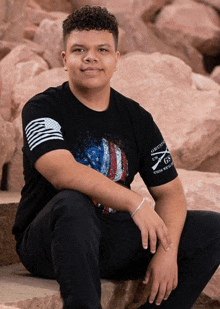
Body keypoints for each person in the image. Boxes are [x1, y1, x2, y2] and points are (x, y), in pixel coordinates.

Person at [12, 5, 220, 309]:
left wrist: (167, 251)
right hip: (50, 242)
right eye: (79, 49)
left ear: (116, 59)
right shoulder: (43, 108)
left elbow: (171, 193)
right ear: (64, 58)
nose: (90, 57)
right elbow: (61, 171)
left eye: (102, 49)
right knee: (72, 202)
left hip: (109, 238)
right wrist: (134, 203)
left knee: (211, 229)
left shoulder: (136, 118)